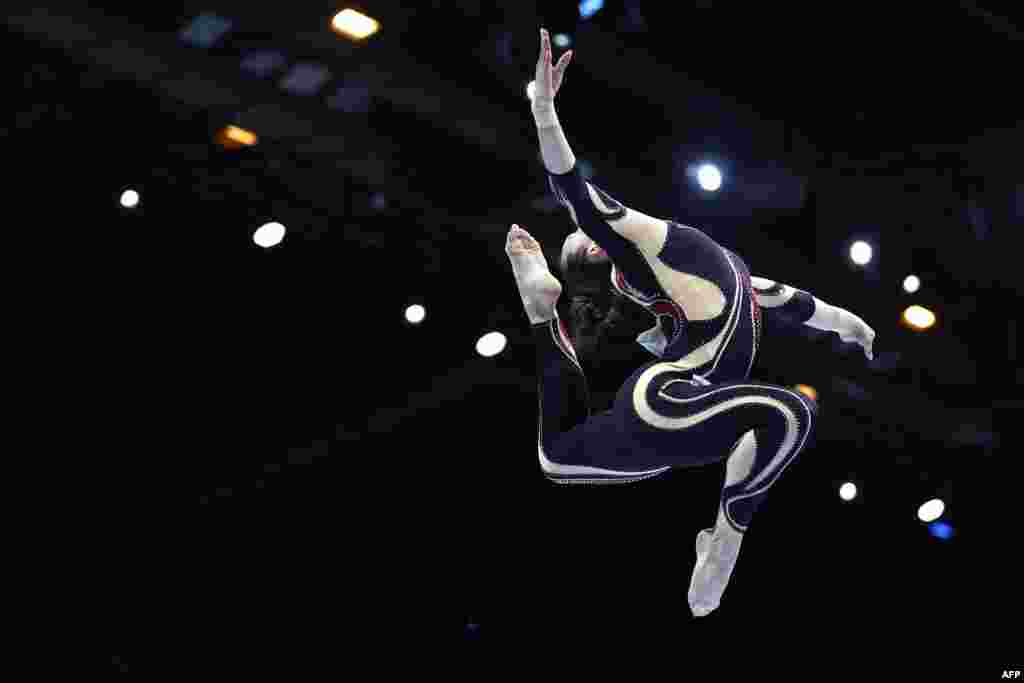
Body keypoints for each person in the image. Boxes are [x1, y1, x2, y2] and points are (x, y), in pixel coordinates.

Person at [505, 29, 877, 617]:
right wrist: (546, 114)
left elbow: (789, 299)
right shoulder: (650, 243)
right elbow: (571, 188)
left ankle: (539, 312)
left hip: (682, 422)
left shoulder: (695, 271)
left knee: (555, 456)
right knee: (789, 411)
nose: (595, 228)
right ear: (602, 253)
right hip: (670, 400)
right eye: (586, 239)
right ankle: (728, 536)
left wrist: (848, 324)